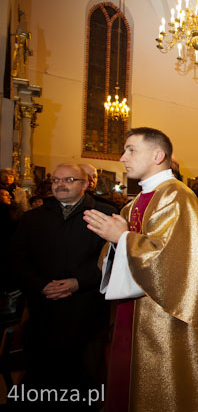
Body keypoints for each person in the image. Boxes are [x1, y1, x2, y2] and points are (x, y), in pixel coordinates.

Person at [83, 127, 198, 411]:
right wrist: (116, 243)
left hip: (166, 317)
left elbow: (173, 262)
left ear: (158, 155)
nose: (123, 157)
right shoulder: (132, 204)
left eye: (131, 150)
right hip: (131, 313)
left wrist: (122, 239)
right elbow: (114, 258)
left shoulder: (177, 196)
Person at [12, 164, 115, 407]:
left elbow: (113, 259)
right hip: (43, 311)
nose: (60, 184)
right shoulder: (33, 218)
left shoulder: (106, 214)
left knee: (85, 384)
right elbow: (16, 259)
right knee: (42, 381)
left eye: (69, 179)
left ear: (86, 183)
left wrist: (79, 282)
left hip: (86, 311)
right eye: (56, 179)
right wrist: (40, 284)